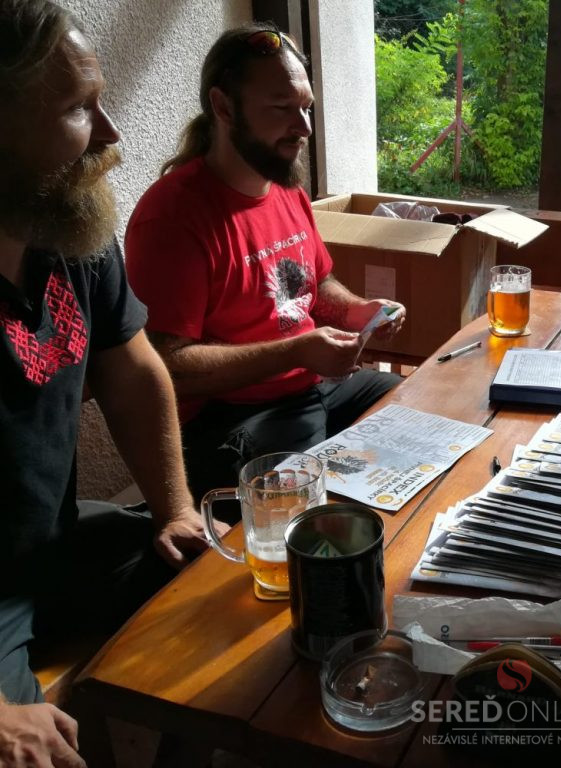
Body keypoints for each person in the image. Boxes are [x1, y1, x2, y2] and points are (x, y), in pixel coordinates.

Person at [0, 1, 223, 764]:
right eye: (78, 109)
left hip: (53, 546)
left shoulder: (71, 232)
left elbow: (132, 371)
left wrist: (175, 510)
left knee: (223, 579)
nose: (111, 133)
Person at [124, 25, 406, 504]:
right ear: (223, 107)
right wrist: (297, 351)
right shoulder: (171, 217)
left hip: (315, 390)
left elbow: (316, 282)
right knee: (332, 507)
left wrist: (358, 310)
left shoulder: (284, 185)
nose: (305, 127)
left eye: (306, 108)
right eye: (281, 108)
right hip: (233, 419)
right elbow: (166, 365)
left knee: (412, 416)